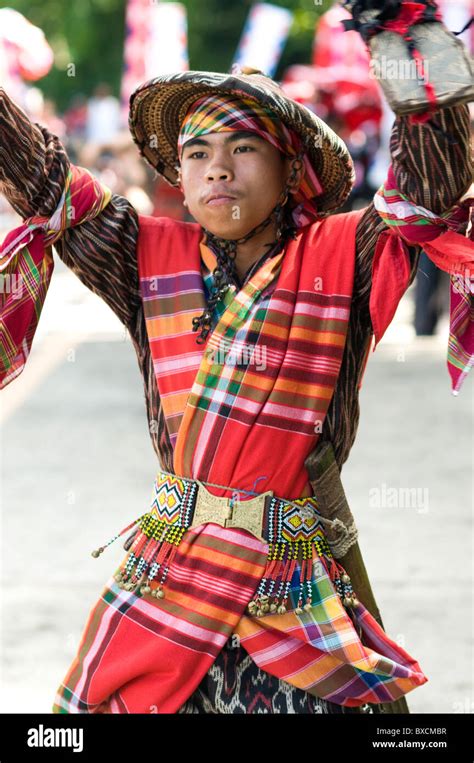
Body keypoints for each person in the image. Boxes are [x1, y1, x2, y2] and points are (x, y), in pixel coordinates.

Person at [0, 3, 472, 715]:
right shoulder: (141, 255)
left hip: (297, 594)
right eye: (197, 154)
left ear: (291, 171)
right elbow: (41, 181)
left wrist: (407, 33)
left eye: (244, 148)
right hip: (167, 586)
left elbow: (433, 184)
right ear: (180, 180)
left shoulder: (349, 253)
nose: (217, 169)